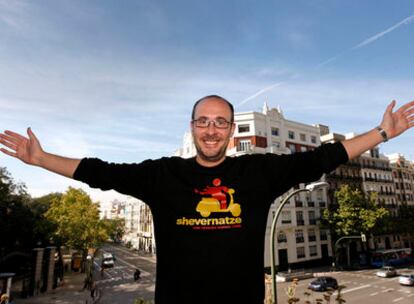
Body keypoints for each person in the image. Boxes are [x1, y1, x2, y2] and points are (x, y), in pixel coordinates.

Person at [0, 96, 413, 304]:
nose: (211, 130)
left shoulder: (258, 172)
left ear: (232, 130)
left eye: (220, 123)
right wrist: (40, 160)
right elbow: (100, 171)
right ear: (193, 127)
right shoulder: (163, 175)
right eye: (203, 121)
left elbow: (327, 157)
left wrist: (381, 134)